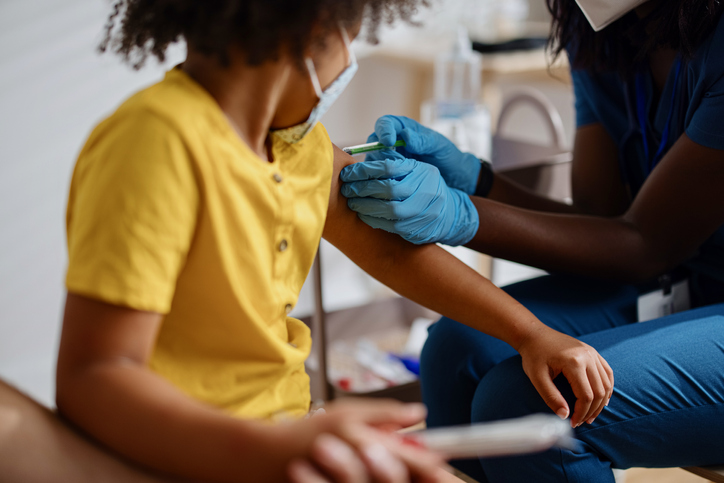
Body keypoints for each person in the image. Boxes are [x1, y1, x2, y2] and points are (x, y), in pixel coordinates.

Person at [54, 1, 613, 482]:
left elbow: (392, 253)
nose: (350, 56)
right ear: (314, 26)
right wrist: (280, 448)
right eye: (352, 34)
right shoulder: (156, 142)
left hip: (290, 433)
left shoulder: (297, 143)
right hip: (193, 455)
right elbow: (94, 378)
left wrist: (532, 334)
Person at [339, 0, 724, 480]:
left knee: (533, 406)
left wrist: (463, 215)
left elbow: (645, 244)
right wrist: (476, 181)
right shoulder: (601, 29)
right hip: (674, 277)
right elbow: (599, 221)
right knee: (456, 350)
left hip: (667, 270)